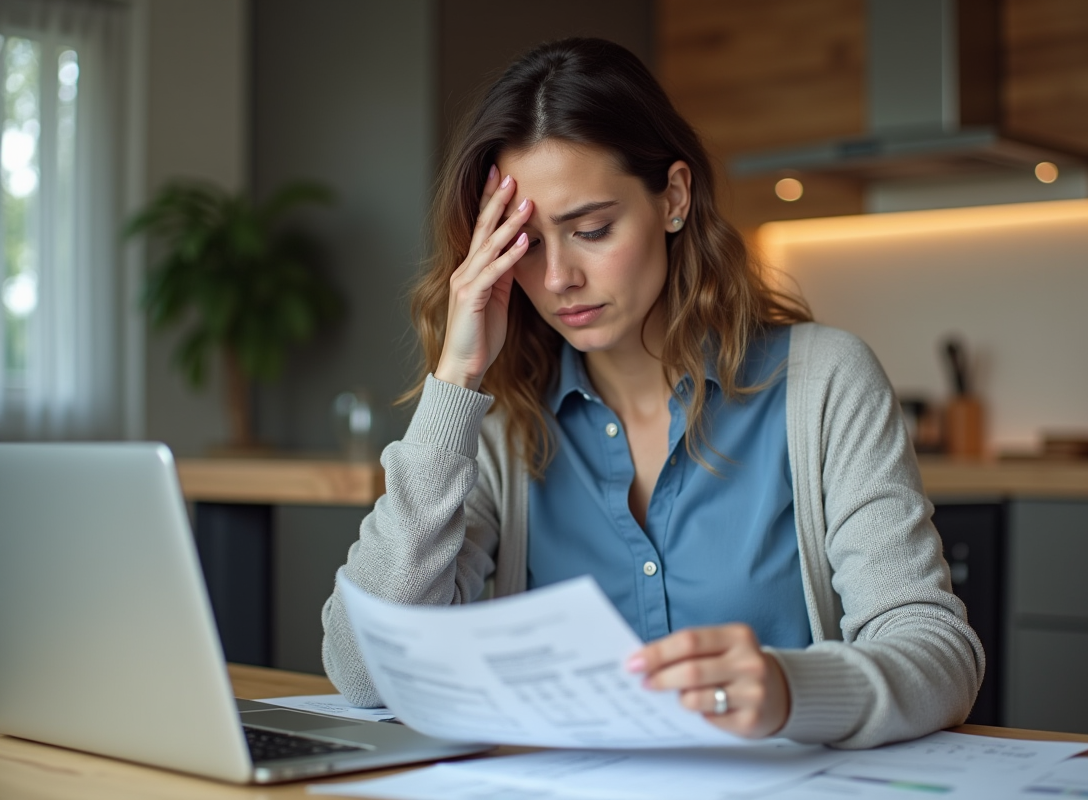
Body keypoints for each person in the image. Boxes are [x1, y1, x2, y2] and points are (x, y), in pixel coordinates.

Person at [321, 37, 984, 748]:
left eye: (592, 230)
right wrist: (453, 382)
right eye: (528, 246)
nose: (558, 280)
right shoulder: (502, 421)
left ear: (672, 198)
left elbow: (939, 654)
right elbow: (362, 671)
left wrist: (792, 689)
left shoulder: (823, 383)